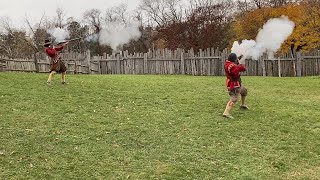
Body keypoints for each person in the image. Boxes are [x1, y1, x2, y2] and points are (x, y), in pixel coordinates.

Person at [223, 53, 249, 119]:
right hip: (234, 84)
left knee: (244, 91)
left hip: (232, 82)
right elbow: (242, 68)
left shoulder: (227, 63)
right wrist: (239, 63)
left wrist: (236, 62)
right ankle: (226, 112)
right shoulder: (233, 66)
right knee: (234, 98)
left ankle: (242, 105)